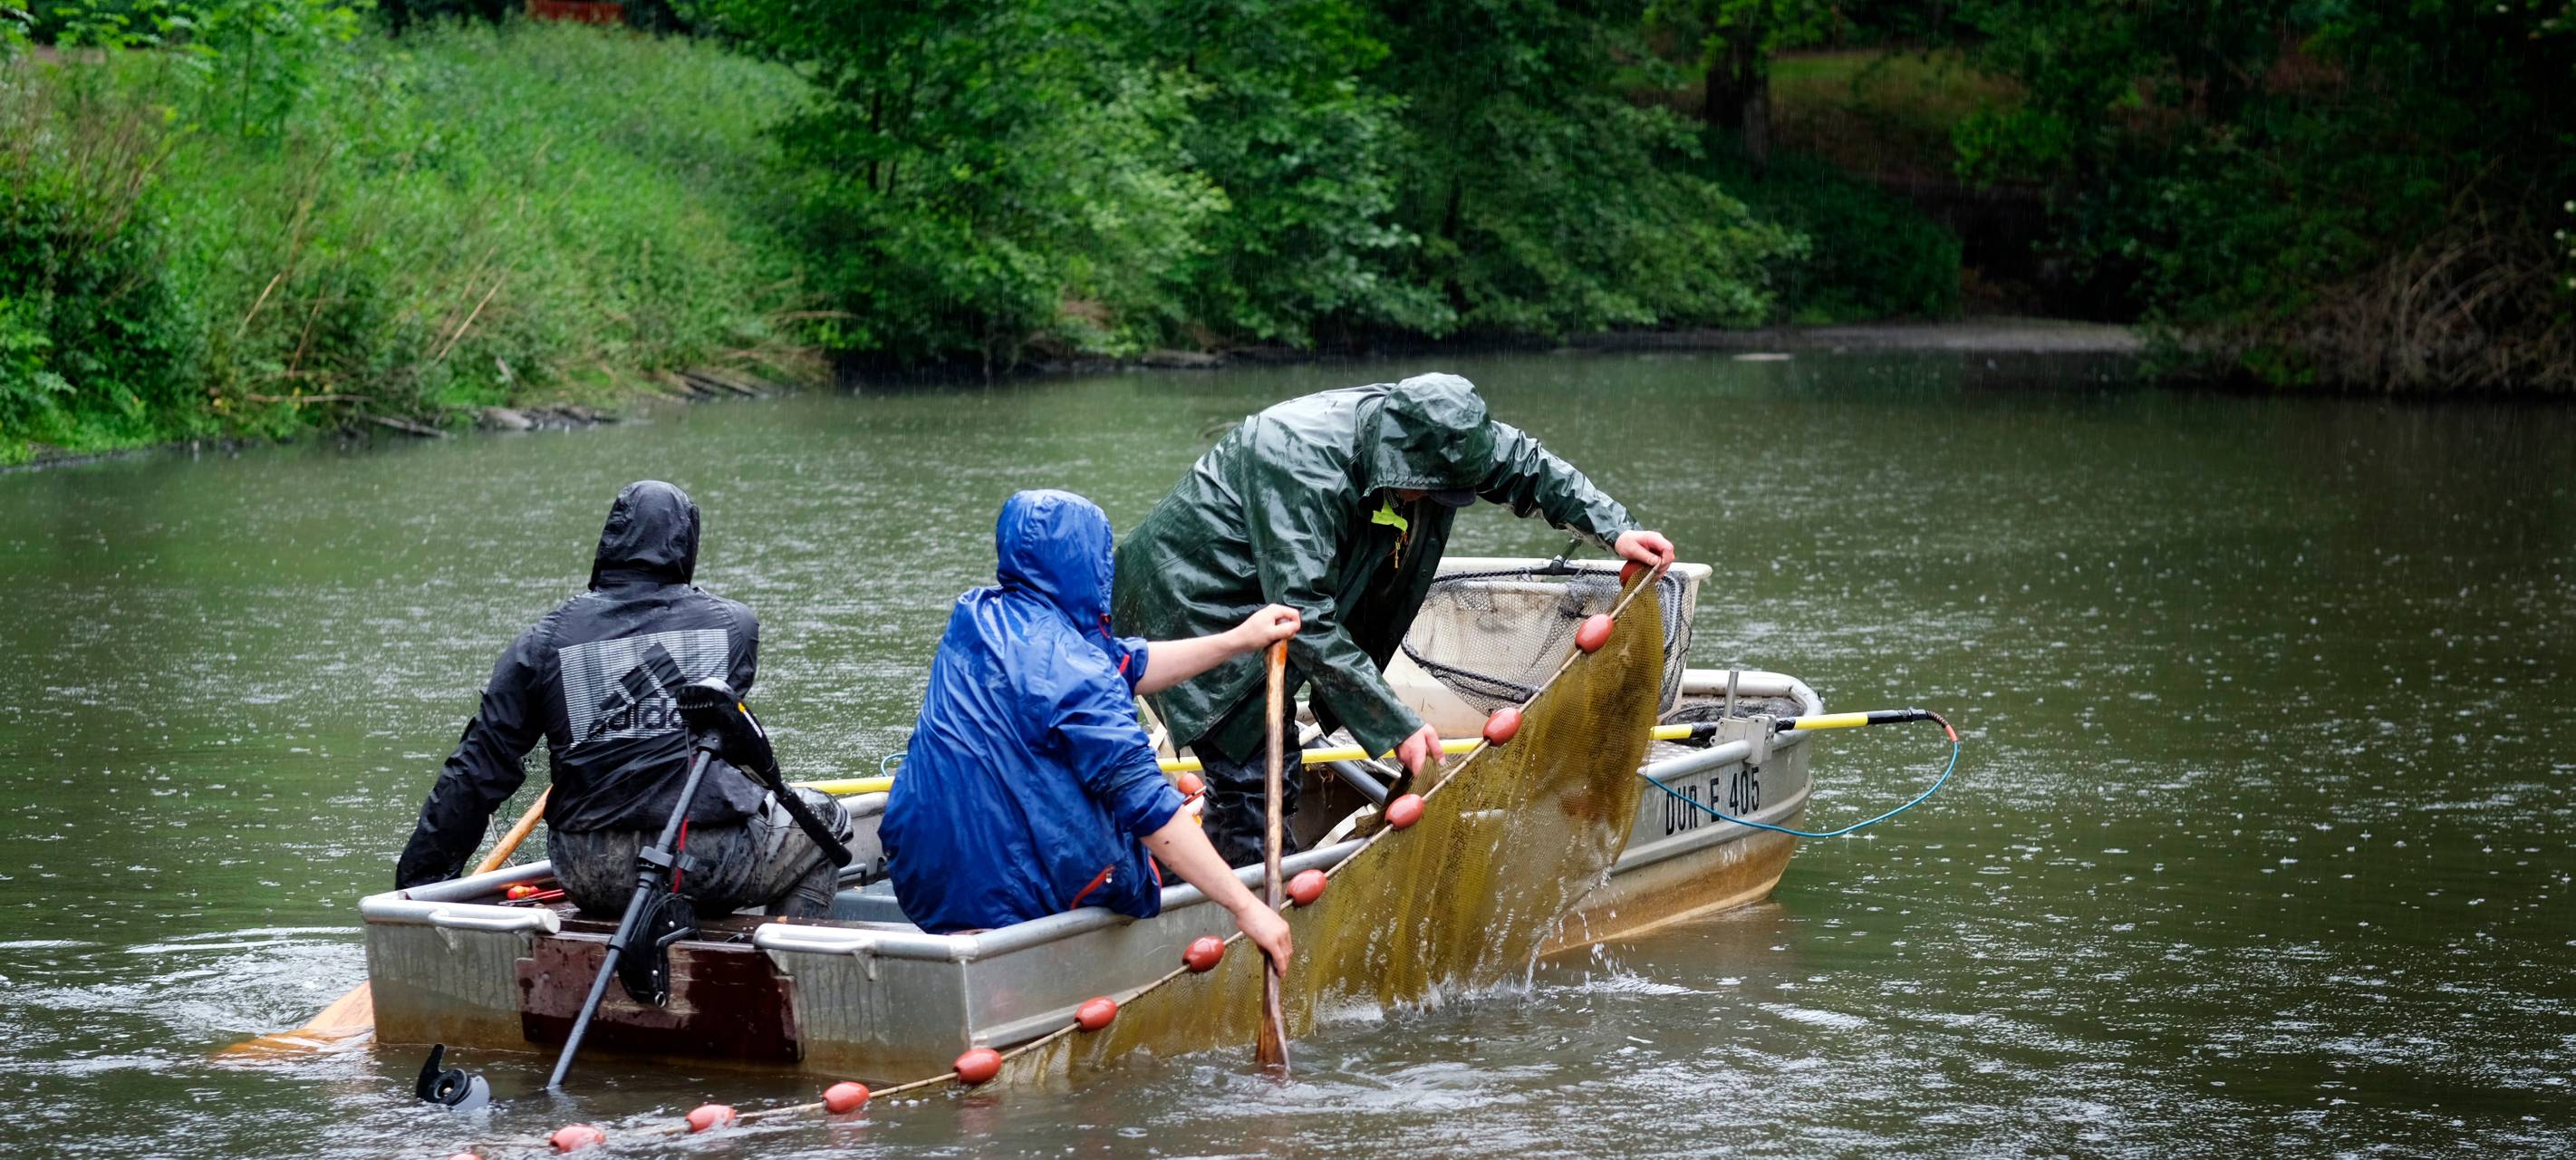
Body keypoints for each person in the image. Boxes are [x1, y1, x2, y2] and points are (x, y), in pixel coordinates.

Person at [1111, 372, 1677, 866]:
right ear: (1397, 457)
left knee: (1272, 765)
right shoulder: (1300, 462)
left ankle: (1238, 887)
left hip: (1264, 595)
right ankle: (1243, 919)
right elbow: (1303, 614)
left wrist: (1614, 528)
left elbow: (1525, 464)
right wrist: (1396, 724)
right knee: (1253, 774)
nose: (1431, 501)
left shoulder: (1446, 434)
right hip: (1188, 599)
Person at [394, 480, 854, 919]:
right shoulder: (734, 627)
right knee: (825, 822)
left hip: (589, 872)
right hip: (705, 862)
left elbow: (477, 770)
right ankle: (781, 963)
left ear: (610, 543)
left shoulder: (540, 642)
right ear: (687, 543)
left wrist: (422, 881)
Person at [881, 489, 1296, 969]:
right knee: (1144, 832)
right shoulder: (1078, 671)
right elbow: (1146, 806)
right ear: (1089, 565)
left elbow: (1123, 662)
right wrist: (1246, 907)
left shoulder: (974, 617)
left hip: (924, 885)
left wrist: (1237, 640)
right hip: (1013, 900)